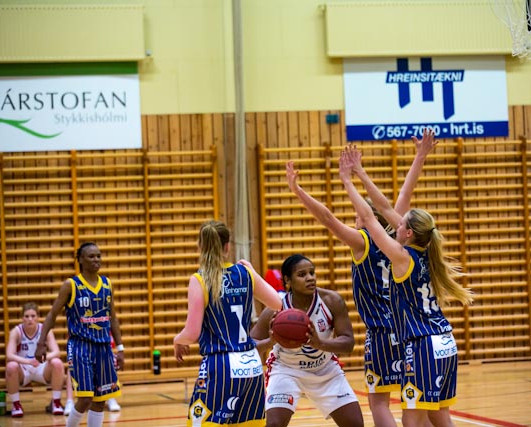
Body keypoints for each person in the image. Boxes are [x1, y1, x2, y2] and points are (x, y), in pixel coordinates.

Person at [285, 129, 437, 427]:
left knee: (379, 402)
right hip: (408, 331)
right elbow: (403, 196)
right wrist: (420, 156)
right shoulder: (398, 240)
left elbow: (327, 218)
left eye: (358, 214)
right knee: (420, 407)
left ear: (366, 218)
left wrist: (298, 191)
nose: (356, 218)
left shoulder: (363, 242)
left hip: (381, 333)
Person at [340, 148, 474, 427]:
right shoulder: (428, 254)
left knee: (411, 421)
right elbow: (386, 208)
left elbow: (371, 218)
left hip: (423, 343)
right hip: (445, 341)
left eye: (400, 224)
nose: (395, 222)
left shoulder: (402, 257)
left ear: (408, 232)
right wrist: (361, 172)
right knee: (440, 418)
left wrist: (348, 181)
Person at [173, 220, 282, 427]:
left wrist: (177, 339)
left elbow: (192, 333)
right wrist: (254, 273)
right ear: (227, 246)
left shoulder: (200, 279)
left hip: (220, 366)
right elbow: (277, 303)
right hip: (251, 366)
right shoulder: (245, 273)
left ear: (200, 246)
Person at [251, 254, 364, 427]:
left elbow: (348, 343)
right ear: (287, 280)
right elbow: (249, 346)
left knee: (355, 424)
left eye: (312, 272)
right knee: (274, 424)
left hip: (325, 370)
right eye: (302, 274)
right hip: (286, 370)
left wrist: (320, 344)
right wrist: (270, 341)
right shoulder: (276, 308)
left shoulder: (331, 301)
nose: (310, 278)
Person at [36, 242, 124, 427]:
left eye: (98, 255)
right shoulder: (71, 285)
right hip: (80, 347)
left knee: (100, 400)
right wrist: (41, 342)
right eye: (91, 256)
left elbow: (113, 318)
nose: (96, 259)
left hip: (103, 348)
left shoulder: (107, 284)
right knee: (85, 399)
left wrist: (120, 348)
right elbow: (52, 315)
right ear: (81, 260)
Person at [5, 301, 65, 417]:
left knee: (57, 363)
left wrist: (40, 359)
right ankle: (16, 405)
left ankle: (56, 403)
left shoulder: (45, 330)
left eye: (33, 316)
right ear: (22, 318)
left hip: (41, 367)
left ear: (38, 317)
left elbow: (56, 352)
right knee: (11, 366)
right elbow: (9, 355)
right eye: (27, 316)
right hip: (24, 369)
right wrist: (28, 361)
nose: (30, 319)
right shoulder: (16, 332)